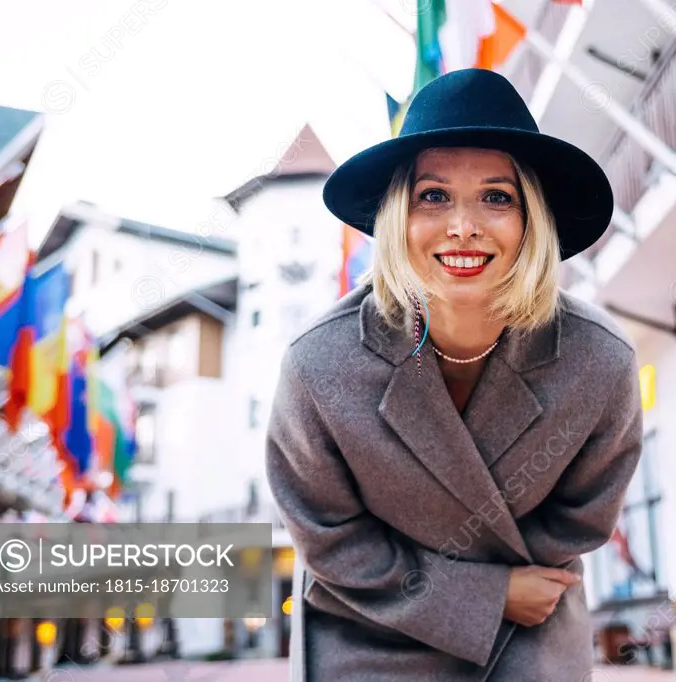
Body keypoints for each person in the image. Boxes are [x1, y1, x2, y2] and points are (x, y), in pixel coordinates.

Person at [265, 68, 643, 681]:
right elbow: (326, 533)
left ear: (531, 222)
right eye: (433, 196)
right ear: (397, 220)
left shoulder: (599, 361)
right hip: (367, 631)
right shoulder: (318, 365)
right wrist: (483, 595)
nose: (463, 226)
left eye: (497, 197)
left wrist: (514, 597)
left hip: (527, 631)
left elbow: (583, 513)